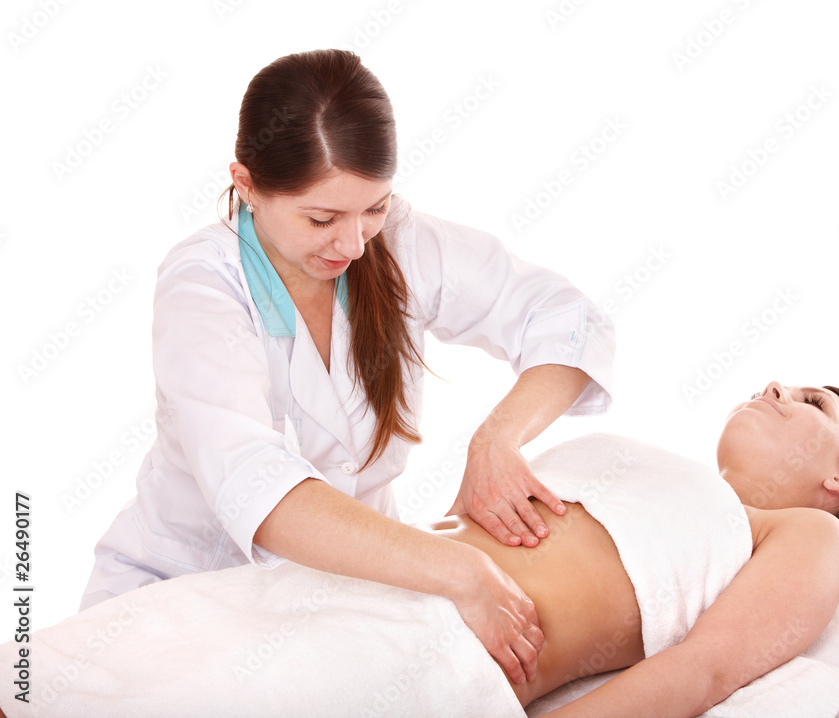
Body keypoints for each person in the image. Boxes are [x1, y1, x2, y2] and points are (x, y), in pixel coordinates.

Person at [77, 48, 615, 685]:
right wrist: (462, 571)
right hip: (181, 599)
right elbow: (256, 486)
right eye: (321, 218)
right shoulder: (203, 285)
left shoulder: (401, 239)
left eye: (375, 208)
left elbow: (567, 319)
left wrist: (497, 439)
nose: (355, 244)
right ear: (246, 185)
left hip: (345, 606)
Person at [0, 382, 839, 718]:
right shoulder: (650, 465)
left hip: (419, 651)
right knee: (71, 670)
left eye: (810, 403)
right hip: (330, 581)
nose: (776, 388)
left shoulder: (802, 533)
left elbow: (703, 672)